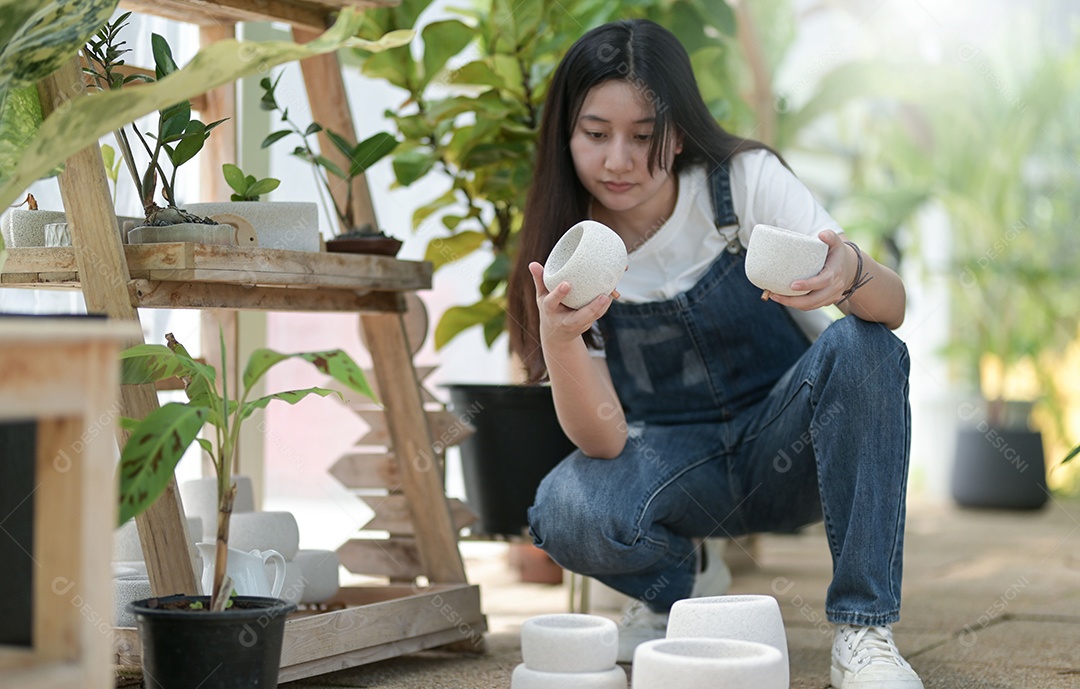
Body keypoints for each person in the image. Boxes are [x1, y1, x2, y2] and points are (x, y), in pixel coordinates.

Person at [505, 18, 923, 689]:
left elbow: (893, 310)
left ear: (680, 127)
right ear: (567, 133)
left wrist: (848, 269)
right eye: (595, 134)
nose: (618, 161)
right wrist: (559, 339)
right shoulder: (566, 251)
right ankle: (681, 581)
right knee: (563, 511)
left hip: (790, 448)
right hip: (676, 470)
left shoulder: (743, 185)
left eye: (644, 137)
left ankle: (865, 630)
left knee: (865, 342)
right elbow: (606, 441)